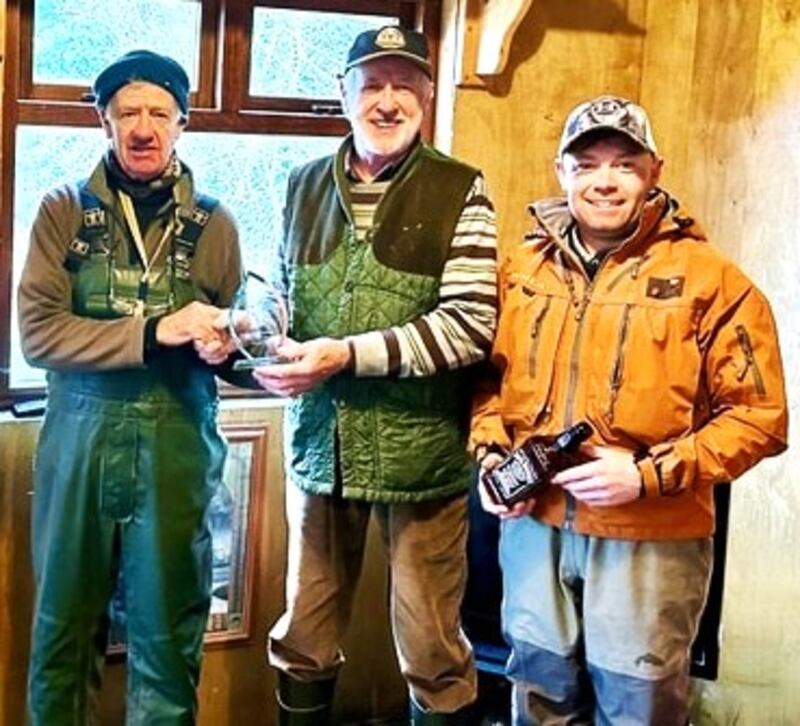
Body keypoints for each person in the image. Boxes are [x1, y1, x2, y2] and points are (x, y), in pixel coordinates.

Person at [469, 95, 788, 725]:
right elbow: (485, 383)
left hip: (651, 539)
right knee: (537, 693)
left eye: (624, 164)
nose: (604, 181)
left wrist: (646, 474)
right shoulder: (520, 271)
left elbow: (760, 417)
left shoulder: (712, 281)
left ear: (654, 172)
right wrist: (489, 457)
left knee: (637, 705)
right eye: (586, 164)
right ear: (562, 173)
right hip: (533, 527)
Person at [247, 25, 497, 725]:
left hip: (423, 458)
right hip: (320, 449)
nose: (387, 102)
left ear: (424, 94)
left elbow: (470, 324)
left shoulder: (461, 189)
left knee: (433, 649)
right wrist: (260, 331)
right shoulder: (299, 186)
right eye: (372, 84)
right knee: (304, 636)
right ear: (344, 94)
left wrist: (343, 354)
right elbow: (276, 291)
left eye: (403, 86)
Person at [18, 50, 243, 724]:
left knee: (168, 641)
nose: (142, 128)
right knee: (62, 632)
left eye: (158, 113)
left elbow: (236, 350)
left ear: (181, 124)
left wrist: (232, 347)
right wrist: (155, 332)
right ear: (104, 121)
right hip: (77, 446)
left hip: (175, 449)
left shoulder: (215, 223)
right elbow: (39, 336)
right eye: (127, 113)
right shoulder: (62, 210)